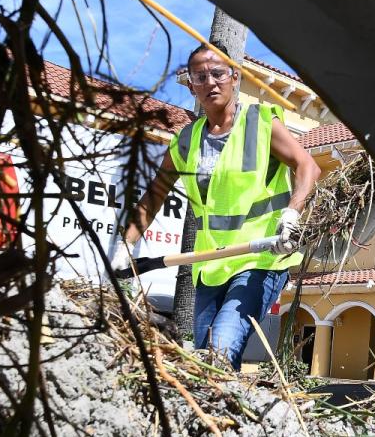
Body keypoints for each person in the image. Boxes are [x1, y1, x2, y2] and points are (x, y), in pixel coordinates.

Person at [109, 43, 321, 370]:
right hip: (210, 267)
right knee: (205, 362)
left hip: (260, 258)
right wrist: (127, 244)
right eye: (200, 76)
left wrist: (292, 213)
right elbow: (154, 196)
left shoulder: (261, 123)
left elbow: (308, 166)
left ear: (234, 77)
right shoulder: (186, 141)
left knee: (222, 348)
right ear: (192, 85)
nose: (210, 82)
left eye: (218, 73)